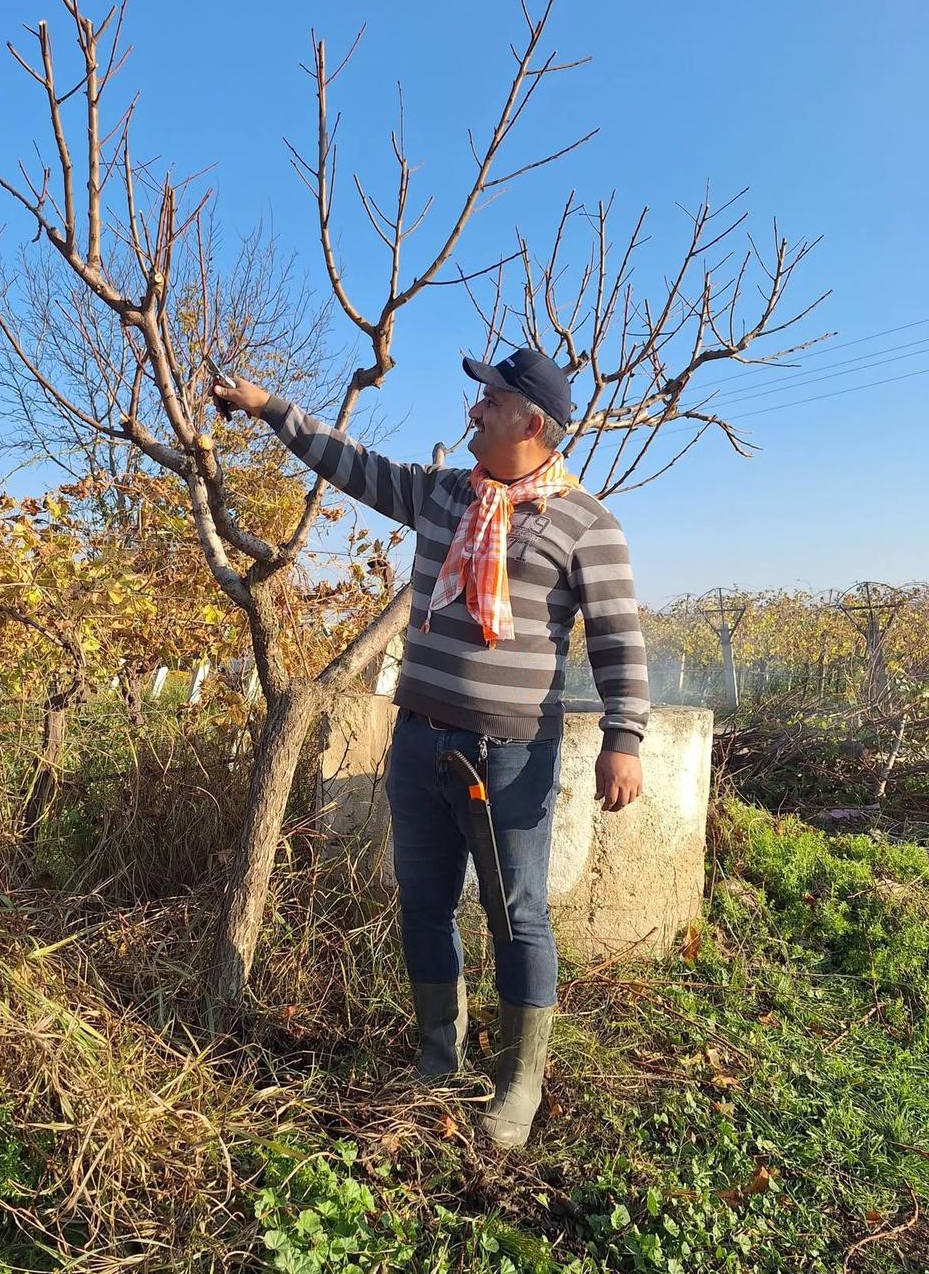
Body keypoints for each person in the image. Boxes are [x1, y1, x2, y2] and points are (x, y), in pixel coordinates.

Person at [213, 347, 649, 1148]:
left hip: (510, 756)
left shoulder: (588, 524)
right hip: (417, 741)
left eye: (489, 401)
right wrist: (270, 407)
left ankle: (518, 1085)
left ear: (532, 422)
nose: (474, 410)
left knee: (516, 916)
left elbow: (619, 641)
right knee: (423, 903)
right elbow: (352, 465)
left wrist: (624, 738)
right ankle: (437, 1057)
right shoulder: (446, 495)